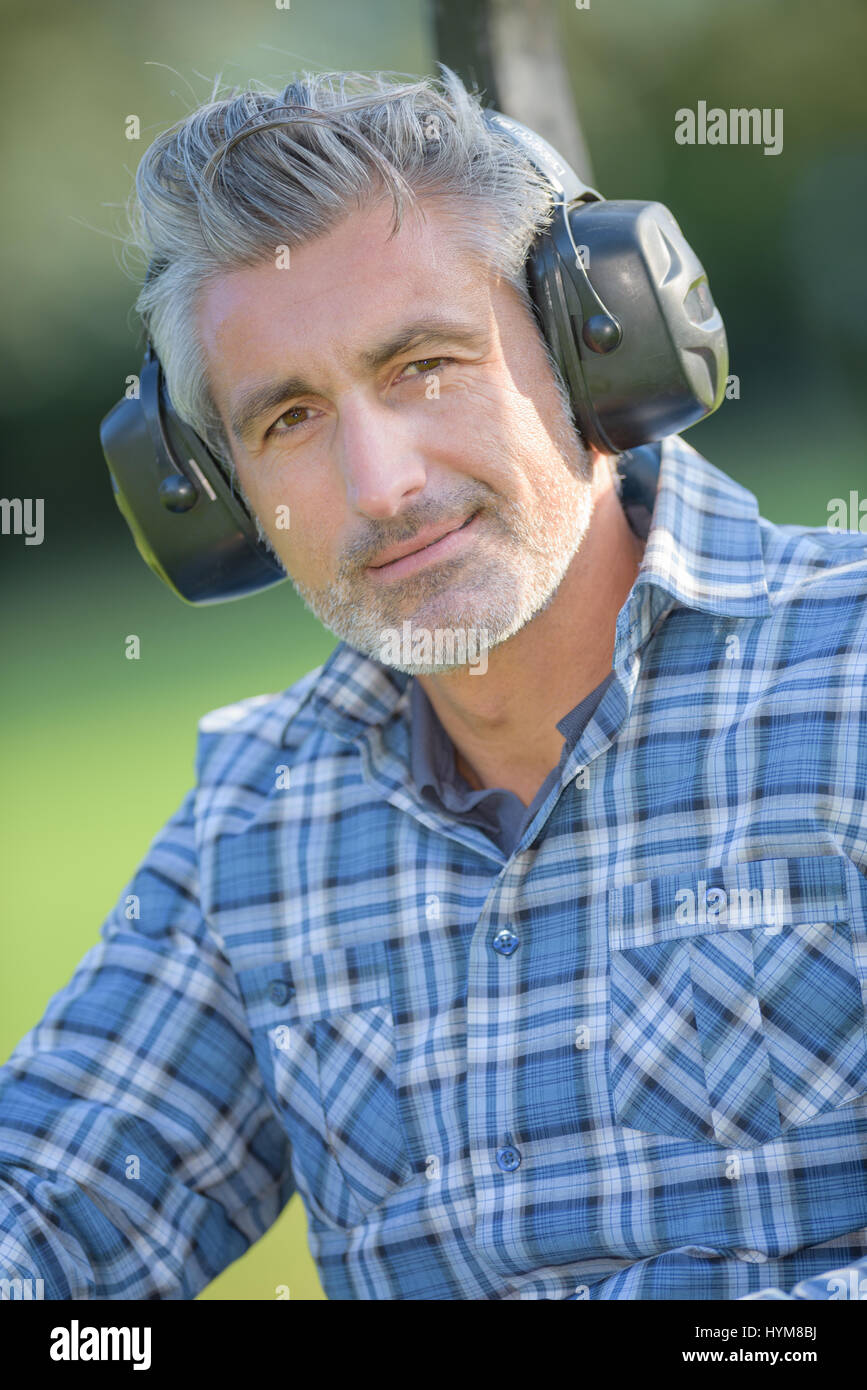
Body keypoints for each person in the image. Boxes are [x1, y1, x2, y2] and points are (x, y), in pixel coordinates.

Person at [2, 66, 866, 1302]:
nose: (380, 484)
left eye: (422, 364)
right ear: (213, 499)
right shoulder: (260, 819)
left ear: (595, 349)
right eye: (289, 417)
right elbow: (48, 1200)